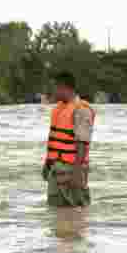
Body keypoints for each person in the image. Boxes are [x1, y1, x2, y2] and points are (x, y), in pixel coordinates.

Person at [42, 71, 95, 208]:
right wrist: (47, 164)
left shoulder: (81, 110)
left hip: (72, 171)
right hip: (56, 171)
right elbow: (54, 141)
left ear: (64, 87)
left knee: (77, 212)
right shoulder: (59, 109)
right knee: (57, 214)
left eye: (55, 87)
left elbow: (82, 143)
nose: (53, 91)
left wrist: (77, 173)